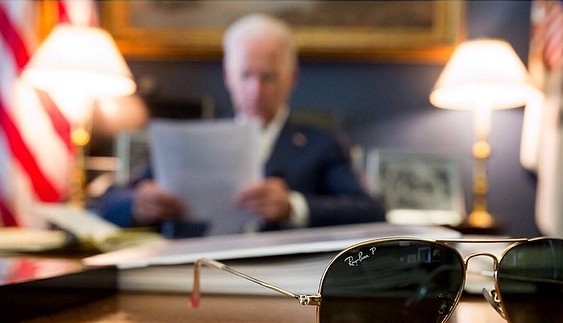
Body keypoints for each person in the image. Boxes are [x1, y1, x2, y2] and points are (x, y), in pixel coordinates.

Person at [95, 13, 385, 237]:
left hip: (280, 282)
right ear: (228, 76)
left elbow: (370, 212)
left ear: (291, 78)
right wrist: (138, 203)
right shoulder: (191, 142)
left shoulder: (321, 144)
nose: (255, 90)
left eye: (268, 77)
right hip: (189, 276)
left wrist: (293, 207)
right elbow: (103, 205)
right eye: (245, 76)